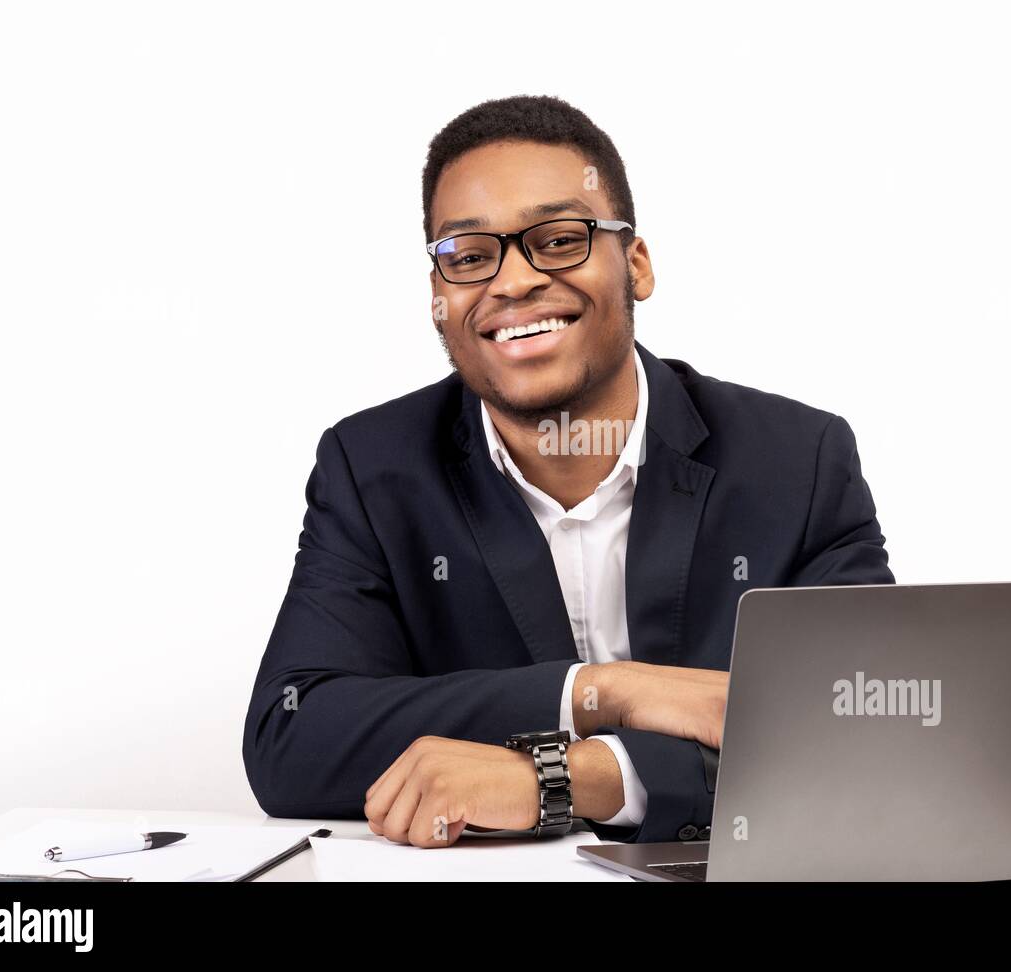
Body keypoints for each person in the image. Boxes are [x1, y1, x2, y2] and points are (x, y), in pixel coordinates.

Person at [242, 94, 895, 846]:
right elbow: (293, 739)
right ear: (438, 295)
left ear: (637, 263)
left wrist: (569, 776)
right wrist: (603, 693)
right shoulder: (371, 468)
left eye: (558, 239)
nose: (513, 282)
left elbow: (863, 733)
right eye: (469, 255)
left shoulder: (795, 461)